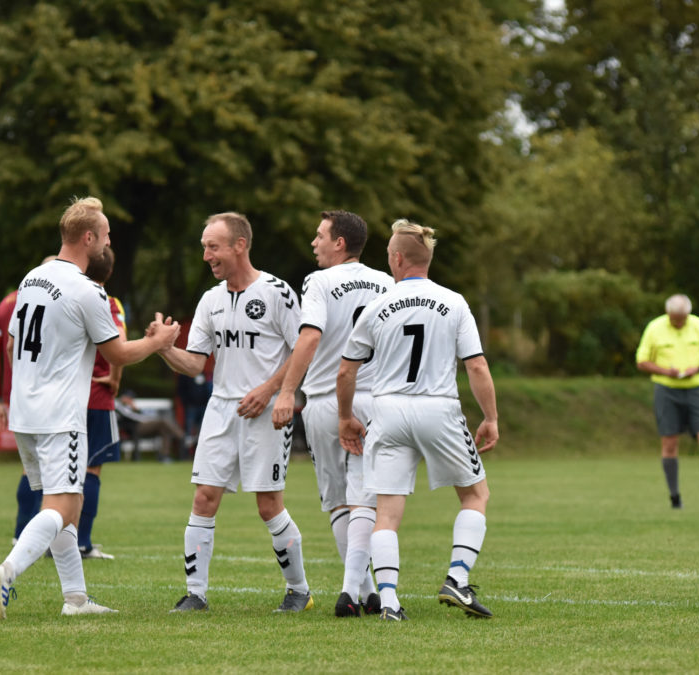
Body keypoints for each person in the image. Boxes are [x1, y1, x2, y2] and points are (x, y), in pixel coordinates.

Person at [0, 196, 179, 620]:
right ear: (88, 238)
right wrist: (158, 342)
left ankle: (76, 600)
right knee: (64, 508)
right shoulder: (88, 290)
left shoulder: (32, 278)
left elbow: (12, 345)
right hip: (60, 414)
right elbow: (118, 353)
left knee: (62, 510)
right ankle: (7, 571)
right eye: (105, 235)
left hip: (25, 412)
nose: (108, 242)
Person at [338, 219, 500, 622]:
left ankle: (389, 603)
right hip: (438, 408)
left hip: (388, 411)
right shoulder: (454, 302)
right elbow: (476, 366)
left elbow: (346, 371)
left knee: (386, 514)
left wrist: (345, 417)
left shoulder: (377, 305)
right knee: (475, 496)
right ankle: (457, 578)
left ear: (397, 258)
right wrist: (491, 417)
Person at [153, 211, 312, 613]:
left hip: (267, 412)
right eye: (204, 247)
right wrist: (164, 348)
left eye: (213, 246)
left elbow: (303, 350)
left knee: (268, 505)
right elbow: (194, 363)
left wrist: (273, 391)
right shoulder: (211, 300)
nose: (206, 255)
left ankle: (299, 591)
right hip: (221, 409)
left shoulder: (277, 292)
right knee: (204, 498)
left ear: (239, 245)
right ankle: (196, 594)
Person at [271, 209, 393, 618]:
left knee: (339, 502)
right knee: (365, 500)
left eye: (320, 236)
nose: (314, 243)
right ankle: (367, 591)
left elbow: (309, 337)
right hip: (378, 399)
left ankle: (354, 591)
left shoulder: (318, 281)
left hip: (328, 399)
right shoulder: (386, 282)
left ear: (339, 243)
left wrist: (287, 391)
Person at [0, 256, 55, 547]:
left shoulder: (5, 304)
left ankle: (23, 532)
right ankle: (36, 535)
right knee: (53, 469)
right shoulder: (59, 297)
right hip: (50, 393)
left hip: (18, 395)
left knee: (31, 467)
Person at [635, 294, 699, 509]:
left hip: (696, 388)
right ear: (668, 313)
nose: (679, 322)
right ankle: (675, 498)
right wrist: (665, 371)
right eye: (675, 318)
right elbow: (641, 361)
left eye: (682, 318)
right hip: (666, 390)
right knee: (669, 443)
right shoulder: (655, 328)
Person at [79, 246, 126, 560]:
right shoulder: (108, 303)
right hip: (96, 396)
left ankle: (59, 541)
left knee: (65, 472)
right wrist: (115, 379)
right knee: (91, 469)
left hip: (68, 396)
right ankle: (82, 542)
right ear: (109, 272)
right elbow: (119, 343)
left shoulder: (70, 299)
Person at [114, 390, 188, 461]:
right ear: (123, 397)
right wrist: (139, 413)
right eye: (129, 398)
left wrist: (136, 409)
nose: (131, 400)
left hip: (139, 426)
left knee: (165, 430)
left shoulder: (129, 407)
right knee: (162, 422)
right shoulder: (119, 406)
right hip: (134, 428)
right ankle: (182, 436)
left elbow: (138, 415)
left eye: (131, 398)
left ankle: (164, 455)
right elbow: (134, 417)